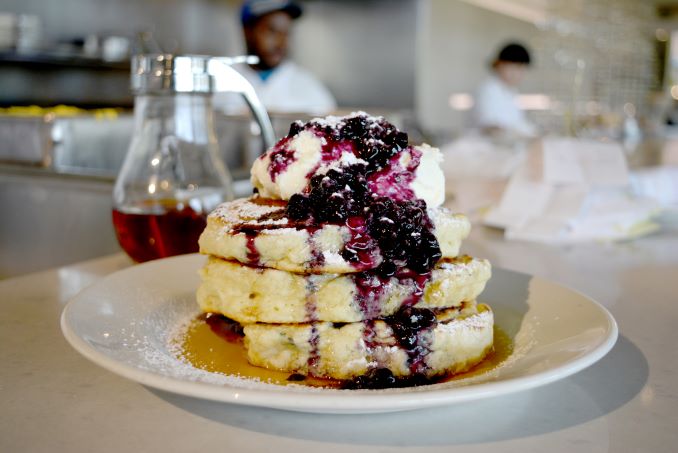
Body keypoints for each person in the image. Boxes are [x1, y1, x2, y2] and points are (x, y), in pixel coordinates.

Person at [221, 0, 337, 115]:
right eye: (272, 31)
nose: (281, 43)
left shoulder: (311, 89)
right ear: (248, 32)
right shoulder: (221, 83)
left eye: (286, 33)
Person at [472, 42, 537, 137]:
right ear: (500, 65)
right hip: (485, 147)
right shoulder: (488, 90)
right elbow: (491, 127)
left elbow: (518, 123)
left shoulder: (511, 91)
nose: (519, 74)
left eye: (522, 69)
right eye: (516, 67)